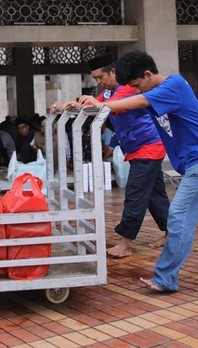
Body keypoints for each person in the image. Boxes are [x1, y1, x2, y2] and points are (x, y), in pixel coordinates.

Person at [79, 51, 198, 292]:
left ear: (147, 74)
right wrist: (83, 105)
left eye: (138, 85)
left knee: (179, 215)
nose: (137, 90)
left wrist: (102, 104)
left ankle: (165, 278)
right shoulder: (151, 96)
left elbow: (139, 102)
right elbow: (126, 107)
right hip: (197, 160)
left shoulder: (174, 85)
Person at [51, 54, 169, 258]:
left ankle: (125, 242)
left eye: (100, 78)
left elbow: (102, 107)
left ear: (113, 72)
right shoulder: (107, 92)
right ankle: (172, 232)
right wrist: (68, 105)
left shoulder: (128, 88)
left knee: (136, 192)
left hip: (150, 146)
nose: (98, 82)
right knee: (153, 193)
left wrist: (88, 104)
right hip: (135, 148)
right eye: (95, 79)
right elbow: (92, 105)